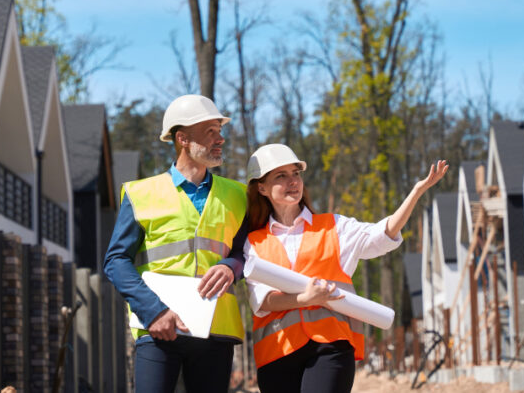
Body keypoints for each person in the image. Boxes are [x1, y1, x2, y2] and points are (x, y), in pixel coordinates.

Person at [243, 143, 449, 393]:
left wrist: (416, 192)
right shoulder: (254, 242)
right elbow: (262, 301)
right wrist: (305, 298)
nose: (293, 181)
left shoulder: (333, 227)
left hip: (330, 346)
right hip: (277, 353)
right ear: (261, 187)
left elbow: (381, 235)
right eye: (281, 176)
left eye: (296, 174)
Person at [103, 94, 248, 393]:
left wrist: (232, 267)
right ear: (182, 138)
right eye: (210, 131)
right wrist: (152, 311)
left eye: (219, 131)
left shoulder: (238, 195)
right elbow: (116, 261)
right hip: (159, 327)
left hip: (216, 329)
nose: (220, 139)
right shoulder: (140, 194)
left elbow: (248, 251)